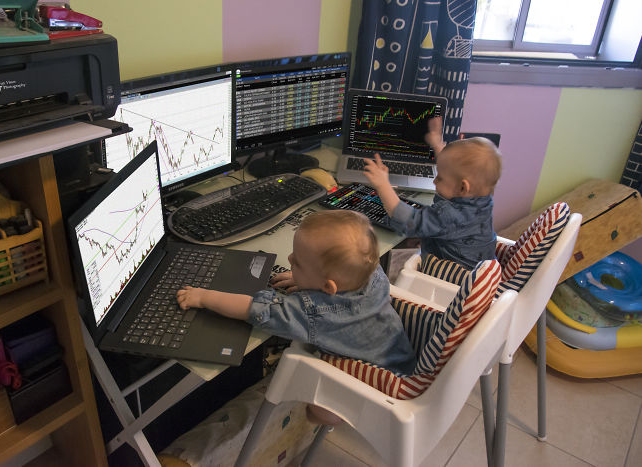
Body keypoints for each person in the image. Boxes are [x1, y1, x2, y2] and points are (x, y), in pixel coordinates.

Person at [176, 210, 416, 423]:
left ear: (328, 287)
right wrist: (308, 277)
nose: (290, 259)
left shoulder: (312, 313)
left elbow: (254, 309)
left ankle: (330, 415)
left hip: (380, 386)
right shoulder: (372, 273)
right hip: (402, 357)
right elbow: (337, 281)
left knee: (318, 411)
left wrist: (203, 297)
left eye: (297, 262)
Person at [363, 117, 502, 269]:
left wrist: (383, 185)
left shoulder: (449, 214)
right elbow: (451, 169)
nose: (435, 181)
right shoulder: (483, 199)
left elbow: (410, 222)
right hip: (480, 267)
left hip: (451, 278)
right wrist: (438, 146)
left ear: (463, 187)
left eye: (440, 178)